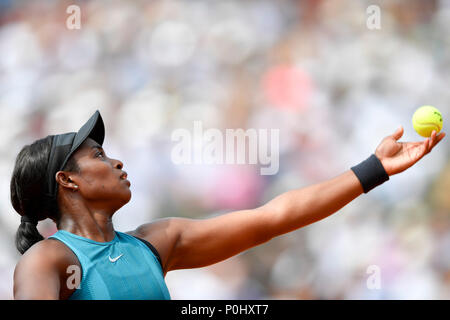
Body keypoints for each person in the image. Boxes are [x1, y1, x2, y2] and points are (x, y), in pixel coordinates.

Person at [11, 110, 445, 300]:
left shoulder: (155, 243)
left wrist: (376, 168)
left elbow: (273, 217)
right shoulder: (48, 260)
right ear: (67, 180)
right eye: (99, 157)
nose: (116, 160)